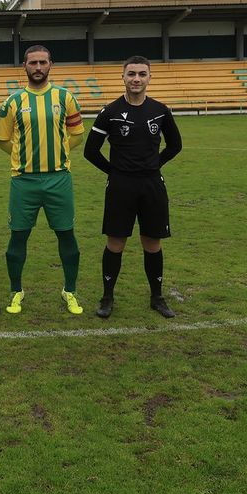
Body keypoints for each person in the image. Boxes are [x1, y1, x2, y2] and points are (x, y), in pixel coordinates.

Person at [84, 56, 183, 318]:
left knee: (152, 242)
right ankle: (107, 298)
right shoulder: (110, 112)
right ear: (123, 77)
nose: (136, 79)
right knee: (116, 242)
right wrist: (115, 172)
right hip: (121, 187)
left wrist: (154, 165)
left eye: (141, 74)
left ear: (150, 77)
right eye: (131, 74)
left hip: (152, 185)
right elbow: (90, 151)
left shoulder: (161, 110)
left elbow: (175, 145)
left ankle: (157, 297)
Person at [0, 44, 85, 315]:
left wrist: (57, 154)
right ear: (25, 66)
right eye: (32, 62)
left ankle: (69, 290)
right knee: (18, 237)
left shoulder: (65, 97)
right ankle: (16, 291)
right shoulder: (12, 102)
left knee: (66, 234)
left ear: (50, 65)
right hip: (24, 181)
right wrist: (25, 157)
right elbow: (2, 140)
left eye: (42, 62)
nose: (37, 67)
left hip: (59, 179)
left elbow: (77, 134)